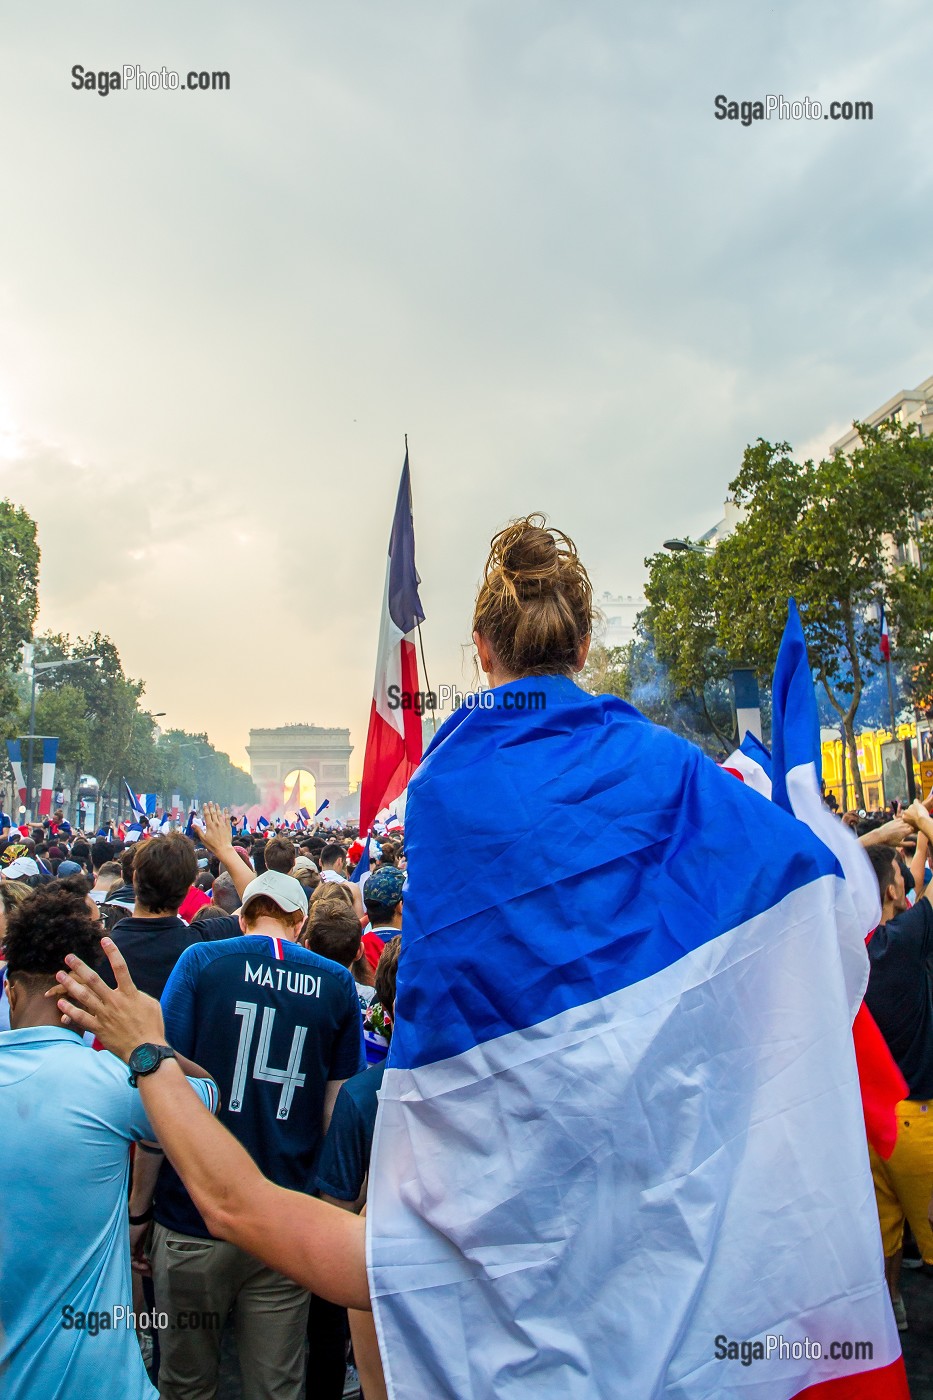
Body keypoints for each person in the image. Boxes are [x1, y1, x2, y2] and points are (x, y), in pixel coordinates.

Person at [52, 516, 904, 1398]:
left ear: (481, 650)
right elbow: (811, 899)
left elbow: (236, 1203)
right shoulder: (691, 1208)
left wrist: (145, 1050)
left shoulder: (449, 1256)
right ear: (581, 644)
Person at [143, 869, 364, 1400]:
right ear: (301, 921)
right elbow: (340, 1111)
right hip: (285, 1219)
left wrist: (138, 1209)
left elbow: (162, 1081)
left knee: (186, 1384)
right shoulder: (335, 983)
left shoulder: (201, 961)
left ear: (242, 917)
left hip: (192, 1212)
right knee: (276, 1386)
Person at [0, 887, 218, 1400]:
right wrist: (145, 1041)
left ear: (11, 991)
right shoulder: (111, 1081)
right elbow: (206, 1098)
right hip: (99, 1383)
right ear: (79, 994)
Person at [864, 799, 933, 1330]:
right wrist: (925, 825)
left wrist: (906, 832)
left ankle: (893, 1312)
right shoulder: (905, 944)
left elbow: (826, 862)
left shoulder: (848, 946)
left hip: (868, 1124)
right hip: (917, 1123)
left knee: (884, 1233)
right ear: (893, 891)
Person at [98, 832, 200, 998]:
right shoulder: (202, 948)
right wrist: (224, 849)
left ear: (135, 878)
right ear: (189, 888)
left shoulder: (100, 953)